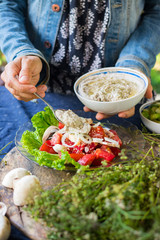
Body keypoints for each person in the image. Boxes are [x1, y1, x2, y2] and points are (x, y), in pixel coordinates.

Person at [0, 0, 160, 120]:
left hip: (120, 94)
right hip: (41, 88)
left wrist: (134, 63)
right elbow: (7, 3)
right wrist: (21, 51)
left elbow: (157, 10)